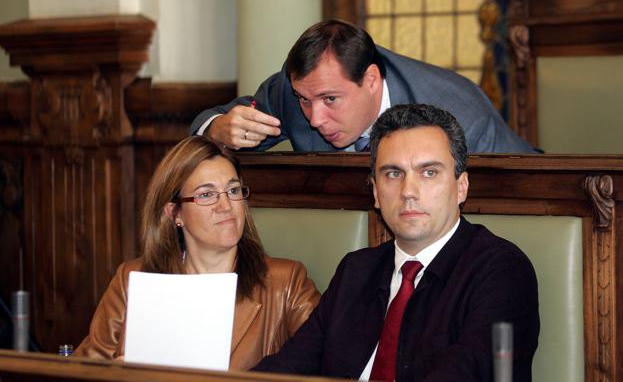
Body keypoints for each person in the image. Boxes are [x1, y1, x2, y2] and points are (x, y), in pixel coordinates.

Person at [252, 104, 539, 381]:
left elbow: (469, 372)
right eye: (393, 174)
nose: (408, 191)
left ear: (461, 187)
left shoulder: (500, 270)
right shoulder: (357, 270)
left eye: (429, 172)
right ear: (376, 192)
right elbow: (289, 366)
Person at [74, 136, 320, 370]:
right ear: (175, 213)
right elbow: (79, 371)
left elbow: (328, 364)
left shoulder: (286, 283)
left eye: (233, 191)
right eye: (206, 195)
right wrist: (111, 375)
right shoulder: (132, 279)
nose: (225, 206)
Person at [191, 20, 536, 154]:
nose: (314, 118)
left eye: (330, 99)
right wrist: (218, 129)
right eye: (304, 101)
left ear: (371, 79)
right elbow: (215, 120)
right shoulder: (294, 91)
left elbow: (525, 194)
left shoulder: (459, 115)